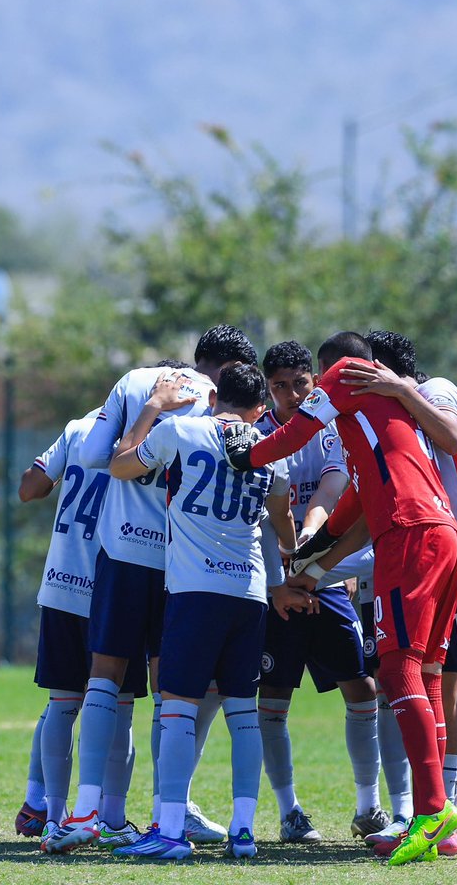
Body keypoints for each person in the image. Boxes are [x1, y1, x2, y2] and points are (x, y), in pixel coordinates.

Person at [225, 331, 457, 867]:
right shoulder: (373, 428)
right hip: (442, 536)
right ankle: (442, 823)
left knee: (396, 672)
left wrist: (246, 455)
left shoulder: (345, 375)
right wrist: (311, 570)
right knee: (425, 674)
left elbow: (290, 438)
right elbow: (349, 521)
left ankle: (429, 813)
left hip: (411, 537)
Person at [45, 325, 257, 854]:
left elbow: (99, 457)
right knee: (174, 696)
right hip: (182, 566)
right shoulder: (230, 418)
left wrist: (150, 412)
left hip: (122, 554)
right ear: (233, 371)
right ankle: (171, 814)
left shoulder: (139, 381)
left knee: (103, 681)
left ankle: (88, 811)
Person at [340, 330, 457, 861]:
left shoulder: (438, 393)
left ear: (383, 370)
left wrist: (403, 391)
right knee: (435, 688)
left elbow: (453, 438)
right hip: (435, 557)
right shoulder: (390, 421)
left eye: (364, 373)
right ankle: (441, 819)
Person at [108, 363, 311, 861]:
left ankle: (171, 831)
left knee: (177, 707)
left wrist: (153, 408)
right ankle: (244, 831)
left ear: (215, 393)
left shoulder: (180, 429)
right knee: (244, 712)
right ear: (261, 408)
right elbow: (284, 528)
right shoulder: (272, 449)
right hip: (248, 594)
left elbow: (121, 465)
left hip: (194, 591)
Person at [255, 341, 387, 843]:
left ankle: (368, 806)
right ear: (268, 390)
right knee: (274, 700)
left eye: (299, 383)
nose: (291, 394)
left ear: (315, 381)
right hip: (276, 584)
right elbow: (266, 513)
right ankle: (290, 813)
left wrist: (309, 553)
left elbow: (331, 493)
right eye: (279, 386)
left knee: (363, 688)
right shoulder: (261, 433)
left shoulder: (329, 428)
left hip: (322, 577)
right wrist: (283, 573)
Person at [14, 410, 147, 851]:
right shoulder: (149, 433)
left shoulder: (77, 429)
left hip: (60, 580)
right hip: (114, 583)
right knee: (119, 706)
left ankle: (52, 816)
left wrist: (57, 472)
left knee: (62, 704)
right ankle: (110, 815)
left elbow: (28, 489)